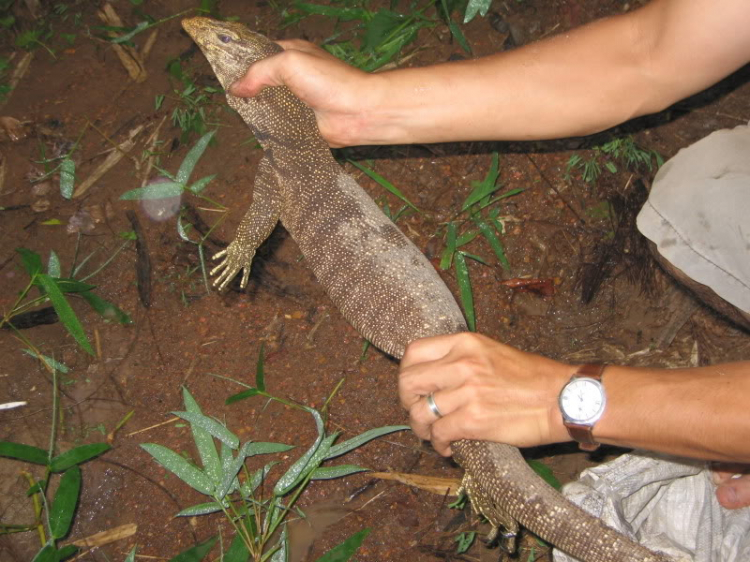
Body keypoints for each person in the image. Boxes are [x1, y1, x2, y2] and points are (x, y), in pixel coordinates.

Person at [228, 0, 750, 511]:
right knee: (697, 193)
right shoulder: (284, 163)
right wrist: (365, 106)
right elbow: (649, 51)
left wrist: (564, 399)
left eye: (228, 41)